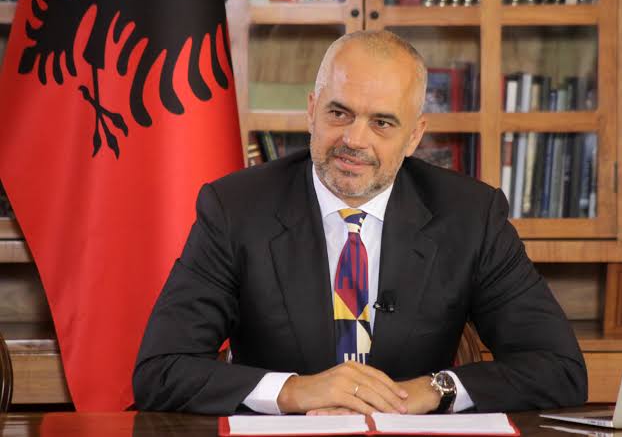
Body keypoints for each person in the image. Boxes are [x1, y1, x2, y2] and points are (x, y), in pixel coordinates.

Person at [133, 30, 587, 416]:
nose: (353, 139)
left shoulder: (470, 215)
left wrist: (433, 390)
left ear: (414, 136)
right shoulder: (235, 208)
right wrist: (293, 391)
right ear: (311, 110)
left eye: (382, 123)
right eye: (339, 113)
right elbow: (160, 371)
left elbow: (559, 369)